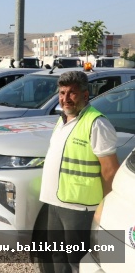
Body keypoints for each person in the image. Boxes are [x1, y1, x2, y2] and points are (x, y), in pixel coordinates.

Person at [40, 71, 119, 272]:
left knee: (77, 261)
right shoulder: (63, 119)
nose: (65, 98)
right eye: (62, 92)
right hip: (55, 202)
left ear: (85, 95)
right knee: (57, 254)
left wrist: (104, 209)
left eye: (72, 93)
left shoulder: (97, 124)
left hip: (79, 208)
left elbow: (110, 171)